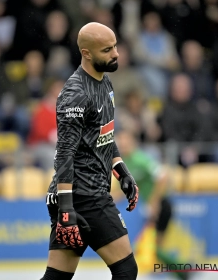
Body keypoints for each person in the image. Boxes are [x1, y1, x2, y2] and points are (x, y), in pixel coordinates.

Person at [40, 22, 139, 280]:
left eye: (115, 46)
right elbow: (64, 154)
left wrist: (121, 171)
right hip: (83, 196)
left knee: (57, 277)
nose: (116, 54)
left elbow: (103, 135)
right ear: (86, 53)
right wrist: (66, 209)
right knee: (126, 270)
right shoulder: (75, 94)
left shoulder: (104, 83)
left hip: (84, 195)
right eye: (107, 50)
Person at [113, 129, 189, 280]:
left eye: (125, 140)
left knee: (153, 246)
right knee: (154, 247)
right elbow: (124, 191)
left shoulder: (141, 159)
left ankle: (183, 272)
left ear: (133, 142)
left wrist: (154, 203)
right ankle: (181, 272)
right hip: (151, 208)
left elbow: (163, 177)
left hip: (161, 205)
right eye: (120, 141)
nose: (123, 144)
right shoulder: (124, 163)